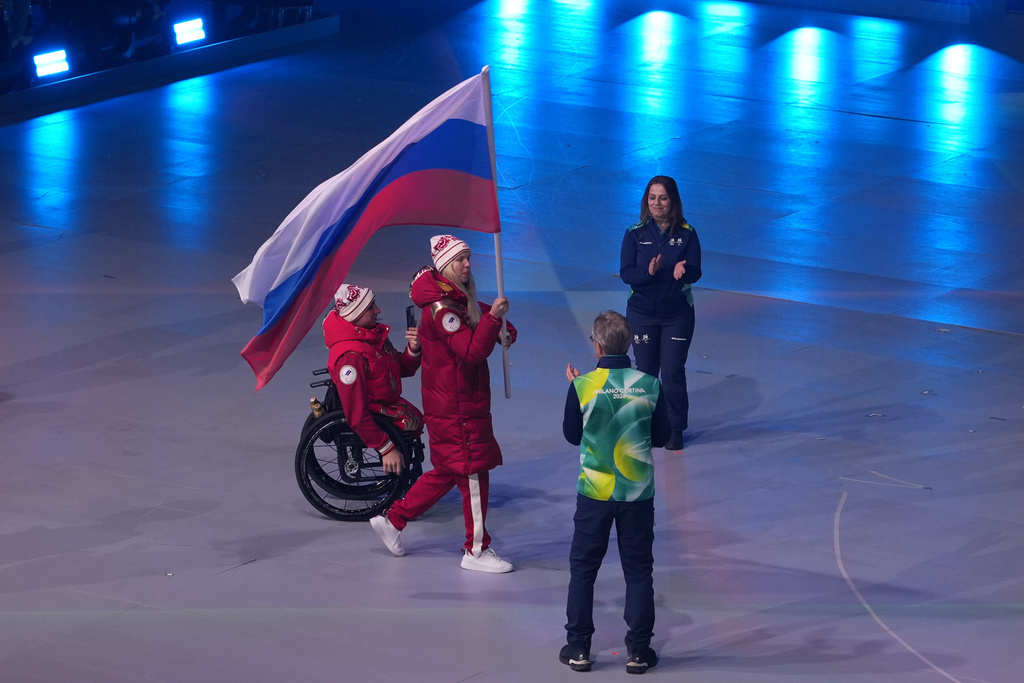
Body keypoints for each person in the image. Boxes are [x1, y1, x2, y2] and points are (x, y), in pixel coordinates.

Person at [369, 234, 517, 573]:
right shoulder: (442, 309)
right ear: (444, 266)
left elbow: (488, 329)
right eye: (459, 260)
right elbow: (471, 351)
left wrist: (502, 329)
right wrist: (493, 320)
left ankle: (393, 520)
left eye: (467, 258)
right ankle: (476, 550)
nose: (467, 264)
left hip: (460, 401)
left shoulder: (455, 298)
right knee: (474, 473)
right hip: (457, 406)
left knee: (450, 471)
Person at [561, 310, 669, 674]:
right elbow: (665, 437)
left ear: (597, 346)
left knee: (583, 570)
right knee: (638, 571)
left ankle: (578, 648)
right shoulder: (650, 384)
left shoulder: (583, 387)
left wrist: (578, 389)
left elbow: (573, 435)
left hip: (594, 492)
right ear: (628, 343)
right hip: (637, 495)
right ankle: (638, 652)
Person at [619, 175, 702, 451]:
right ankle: (645, 425)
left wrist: (684, 271)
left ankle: (675, 428)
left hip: (677, 316)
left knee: (673, 371)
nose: (657, 203)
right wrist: (649, 272)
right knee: (645, 372)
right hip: (642, 315)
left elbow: (696, 271)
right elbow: (626, 274)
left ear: (672, 201)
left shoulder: (688, 233)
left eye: (663, 198)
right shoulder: (635, 233)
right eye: (652, 198)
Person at [323, 284, 423, 474]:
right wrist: (386, 447)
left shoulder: (373, 337)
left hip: (386, 403)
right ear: (356, 314)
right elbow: (356, 414)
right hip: (372, 412)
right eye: (371, 307)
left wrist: (414, 348)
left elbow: (401, 369)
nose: (378, 310)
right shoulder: (350, 358)